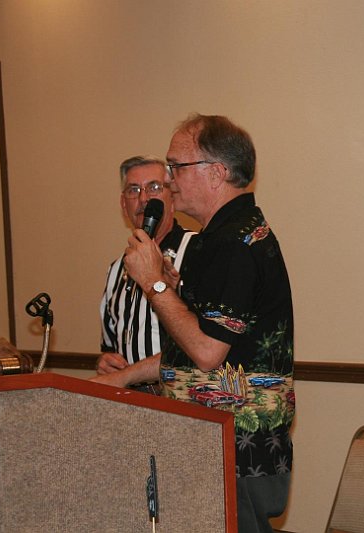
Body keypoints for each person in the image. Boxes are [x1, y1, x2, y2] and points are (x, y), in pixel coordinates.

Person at [92, 114, 294, 533]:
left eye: (177, 166)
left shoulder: (232, 244)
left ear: (216, 173)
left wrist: (153, 285)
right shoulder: (221, 237)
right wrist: (126, 374)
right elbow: (196, 347)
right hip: (218, 447)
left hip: (236, 453)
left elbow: (206, 353)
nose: (169, 180)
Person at [97, 156, 195, 393]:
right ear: (123, 204)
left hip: (181, 399)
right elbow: (109, 346)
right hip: (128, 401)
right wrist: (106, 363)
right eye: (134, 190)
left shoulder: (196, 250)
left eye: (154, 187)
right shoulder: (117, 268)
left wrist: (126, 376)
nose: (143, 199)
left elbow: (202, 345)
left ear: (173, 197)